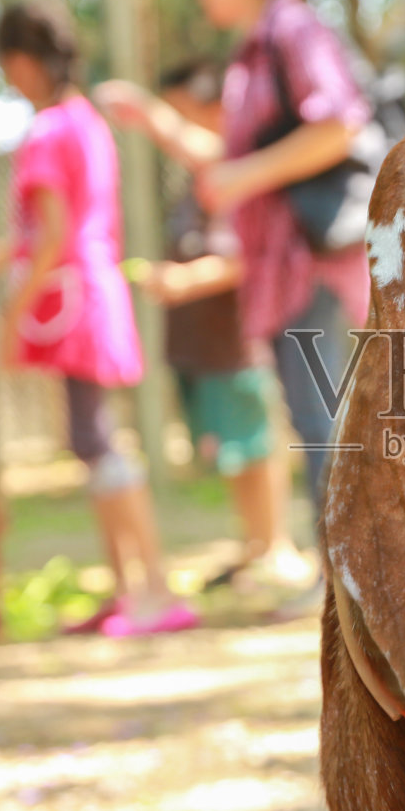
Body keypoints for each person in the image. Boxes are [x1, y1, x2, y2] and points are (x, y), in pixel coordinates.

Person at [95, 0, 371, 520]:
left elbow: (338, 124)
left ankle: (356, 592)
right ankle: (342, 585)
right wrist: (156, 122)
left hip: (311, 261)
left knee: (328, 430)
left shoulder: (290, 29)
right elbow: (237, 160)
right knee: (313, 425)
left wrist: (244, 175)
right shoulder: (254, 48)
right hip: (280, 270)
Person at [0, 0, 197, 637]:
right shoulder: (85, 121)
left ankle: (155, 591)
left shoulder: (48, 129)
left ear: (21, 63)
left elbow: (53, 232)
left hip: (69, 302)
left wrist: (11, 314)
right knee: (92, 438)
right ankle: (126, 591)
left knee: (101, 442)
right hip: (94, 294)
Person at [144, 59, 308, 589]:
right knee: (234, 451)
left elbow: (243, 259)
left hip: (240, 340)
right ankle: (255, 545)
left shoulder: (240, 174)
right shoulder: (200, 184)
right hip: (204, 343)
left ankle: (278, 546)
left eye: (183, 116)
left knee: (259, 444)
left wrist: (186, 281)